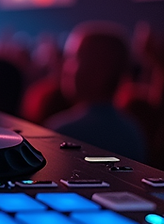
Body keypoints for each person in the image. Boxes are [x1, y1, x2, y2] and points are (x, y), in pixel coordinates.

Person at [45, 22, 147, 162]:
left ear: (100, 71)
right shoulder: (133, 132)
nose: (65, 68)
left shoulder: (63, 133)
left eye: (75, 57)